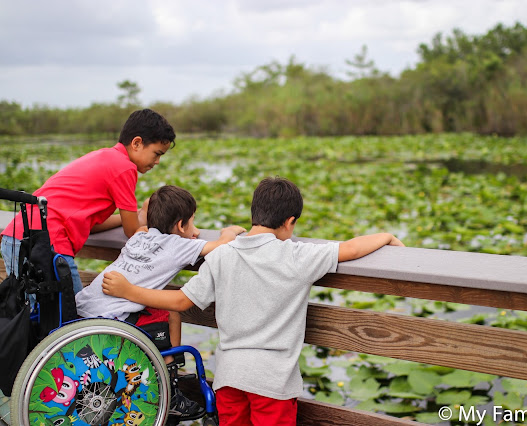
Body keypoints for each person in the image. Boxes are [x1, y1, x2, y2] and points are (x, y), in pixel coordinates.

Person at [102, 176, 404, 425]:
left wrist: (131, 291)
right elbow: (350, 249)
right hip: (273, 382)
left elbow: (182, 301)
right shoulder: (297, 255)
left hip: (230, 376)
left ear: (254, 214)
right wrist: (387, 236)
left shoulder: (222, 254)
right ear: (290, 222)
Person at [76, 184, 245, 422]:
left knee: (168, 311)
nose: (195, 231)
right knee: (171, 311)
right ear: (179, 226)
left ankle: (168, 376)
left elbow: (147, 228)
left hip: (84, 309)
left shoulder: (140, 236)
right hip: (113, 321)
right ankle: (169, 387)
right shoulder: (178, 245)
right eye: (192, 223)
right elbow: (221, 247)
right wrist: (230, 231)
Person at [1, 108, 175, 295]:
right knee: (72, 318)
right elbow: (132, 231)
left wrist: (136, 215)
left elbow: (91, 225)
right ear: (137, 143)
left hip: (18, 236)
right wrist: (143, 218)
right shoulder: (125, 168)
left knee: (35, 316)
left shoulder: (105, 156)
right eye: (157, 153)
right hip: (46, 242)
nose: (157, 162)